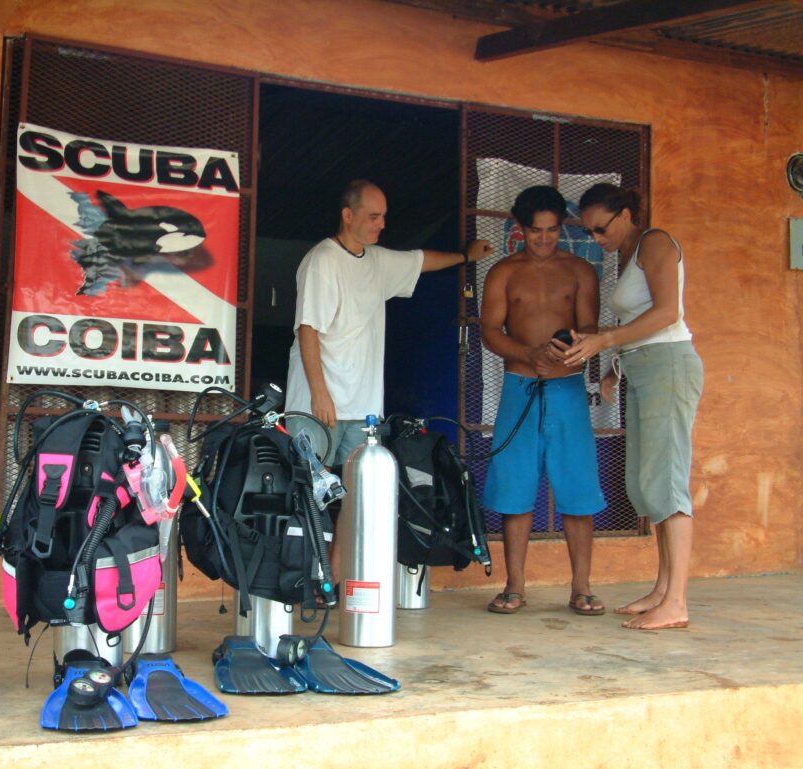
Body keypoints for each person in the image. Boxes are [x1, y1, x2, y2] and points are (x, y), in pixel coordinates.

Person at [562, 183, 703, 631]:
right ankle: (662, 589)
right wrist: (613, 367)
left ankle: (677, 601)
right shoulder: (625, 252)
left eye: (601, 228)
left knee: (668, 478)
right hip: (642, 368)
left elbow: (665, 314)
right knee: (645, 480)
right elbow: (634, 323)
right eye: (589, 232)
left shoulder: (656, 242)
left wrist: (604, 340)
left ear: (625, 213)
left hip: (668, 365)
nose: (597, 238)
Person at [285, 179, 492, 465]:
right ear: (348, 215)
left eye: (383, 216)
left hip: (363, 409)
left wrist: (466, 256)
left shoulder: (377, 259)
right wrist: (319, 394)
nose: (381, 224)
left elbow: (421, 261)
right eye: (373, 217)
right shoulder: (322, 260)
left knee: (359, 498)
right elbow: (308, 329)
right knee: (310, 495)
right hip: (318, 406)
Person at [481, 185, 607, 616]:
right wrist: (528, 354)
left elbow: (590, 324)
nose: (544, 239)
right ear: (520, 229)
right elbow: (491, 332)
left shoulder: (580, 271)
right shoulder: (502, 272)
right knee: (514, 489)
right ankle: (514, 586)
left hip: (568, 389)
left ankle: (582, 588)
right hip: (519, 388)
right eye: (536, 231)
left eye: (553, 231)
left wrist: (571, 346)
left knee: (578, 488)